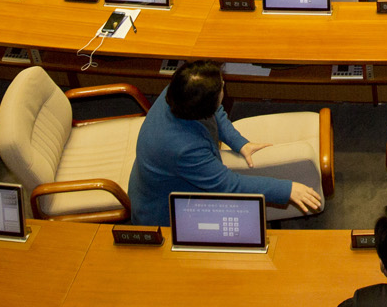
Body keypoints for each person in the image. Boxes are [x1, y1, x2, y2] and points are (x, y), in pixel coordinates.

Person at [128, 60, 323, 227]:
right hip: (169, 211)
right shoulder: (183, 149)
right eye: (221, 87)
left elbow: (213, 111)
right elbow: (229, 185)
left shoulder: (180, 91)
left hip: (168, 176)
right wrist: (287, 189)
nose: (223, 85)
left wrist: (240, 143)